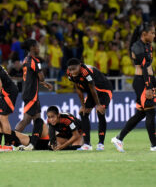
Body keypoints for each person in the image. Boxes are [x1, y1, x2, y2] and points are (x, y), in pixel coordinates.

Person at [112, 22, 156, 152]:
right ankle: (154, 145)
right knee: (150, 111)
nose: (154, 35)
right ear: (144, 34)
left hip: (148, 80)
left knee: (141, 114)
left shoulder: (148, 46)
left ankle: (119, 138)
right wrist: (148, 87)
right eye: (152, 33)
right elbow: (143, 68)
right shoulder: (137, 47)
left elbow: (149, 67)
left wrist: (153, 82)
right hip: (142, 82)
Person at [67, 58, 113, 151]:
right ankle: (87, 144)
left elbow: (92, 88)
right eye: (70, 69)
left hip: (104, 90)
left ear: (80, 66)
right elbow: (78, 89)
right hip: (92, 92)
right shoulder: (69, 74)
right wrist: (83, 106)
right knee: (83, 113)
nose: (72, 72)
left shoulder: (86, 72)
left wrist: (98, 105)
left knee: (100, 112)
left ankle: (101, 143)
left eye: (74, 69)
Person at [15, 39, 53, 132]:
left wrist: (45, 84)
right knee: (26, 120)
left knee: (38, 118)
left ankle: (39, 141)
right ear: (32, 47)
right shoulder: (34, 60)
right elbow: (41, 77)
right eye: (37, 46)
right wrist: (43, 80)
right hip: (31, 94)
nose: (39, 48)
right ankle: (11, 141)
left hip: (28, 92)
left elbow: (32, 76)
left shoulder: (26, 59)